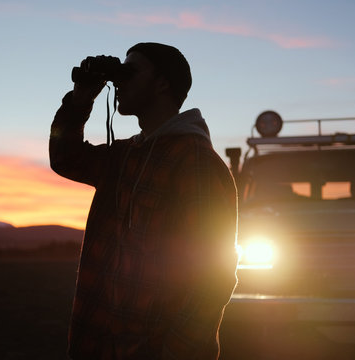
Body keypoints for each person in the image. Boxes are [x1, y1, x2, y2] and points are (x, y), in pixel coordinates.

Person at [49, 42, 238, 360]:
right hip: (100, 344)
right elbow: (64, 157)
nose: (119, 81)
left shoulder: (196, 162)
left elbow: (214, 275)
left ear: (162, 83)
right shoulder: (125, 156)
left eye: (130, 72)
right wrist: (82, 98)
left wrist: (178, 351)